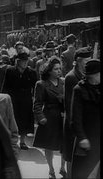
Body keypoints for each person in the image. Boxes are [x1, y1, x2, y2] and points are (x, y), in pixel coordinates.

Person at [33, 56, 66, 178]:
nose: (59, 71)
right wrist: (40, 117)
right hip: (49, 117)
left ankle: (63, 167)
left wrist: (64, 100)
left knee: (64, 144)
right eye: (56, 69)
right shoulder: (41, 84)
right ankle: (51, 169)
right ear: (49, 70)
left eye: (60, 68)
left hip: (62, 116)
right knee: (49, 145)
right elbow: (37, 103)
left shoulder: (64, 82)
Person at [62, 47, 92, 178]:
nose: (88, 64)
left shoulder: (84, 75)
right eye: (86, 61)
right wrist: (75, 128)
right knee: (71, 157)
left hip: (82, 124)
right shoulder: (71, 77)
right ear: (78, 61)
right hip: (72, 124)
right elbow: (70, 105)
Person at [70, 59, 100, 178]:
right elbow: (75, 117)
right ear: (92, 75)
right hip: (87, 139)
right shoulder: (79, 89)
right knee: (83, 173)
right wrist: (82, 137)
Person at [3, 52, 37, 150]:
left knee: (24, 120)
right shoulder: (10, 71)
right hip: (13, 98)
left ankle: (22, 141)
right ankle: (12, 141)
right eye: (23, 61)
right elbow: (5, 86)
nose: (25, 63)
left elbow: (35, 87)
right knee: (12, 119)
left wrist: (35, 98)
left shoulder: (31, 72)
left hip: (26, 99)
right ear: (18, 62)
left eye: (26, 61)